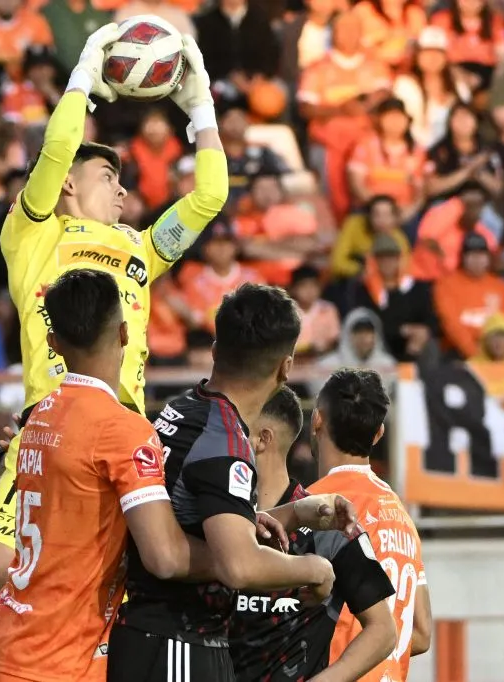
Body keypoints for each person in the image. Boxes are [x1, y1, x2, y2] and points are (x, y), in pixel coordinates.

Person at [0, 25, 229, 681]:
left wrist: (200, 106)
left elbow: (209, 196)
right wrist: (83, 78)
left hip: (125, 441)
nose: (123, 191)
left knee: (112, 599)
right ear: (67, 183)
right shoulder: (34, 234)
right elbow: (55, 150)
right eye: (107, 177)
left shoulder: (141, 249)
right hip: (51, 433)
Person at [109, 283, 355, 682]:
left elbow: (194, 518)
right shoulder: (224, 440)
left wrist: (293, 513)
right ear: (286, 367)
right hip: (178, 641)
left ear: (214, 350)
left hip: (152, 637)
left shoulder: (182, 408)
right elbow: (238, 565)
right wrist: (315, 569)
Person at [0, 269, 204, 680]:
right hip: (58, 661)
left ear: (52, 343)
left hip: (5, 644)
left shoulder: (40, 415)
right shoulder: (122, 429)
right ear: (124, 333)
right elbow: (166, 557)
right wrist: (238, 556)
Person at [230, 386, 397, 682]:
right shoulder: (222, 519)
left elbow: (383, 631)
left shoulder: (329, 526)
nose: (225, 439)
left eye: (236, 429)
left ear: (262, 439)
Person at [307, 368, 433, 682]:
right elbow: (420, 632)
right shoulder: (401, 515)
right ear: (379, 433)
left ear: (316, 420)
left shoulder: (312, 507)